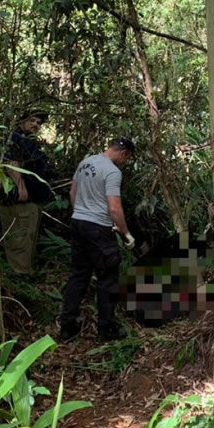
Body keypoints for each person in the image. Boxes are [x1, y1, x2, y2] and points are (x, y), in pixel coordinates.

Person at [60, 137, 136, 341]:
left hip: (78, 223)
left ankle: (67, 326)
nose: (124, 162)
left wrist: (82, 214)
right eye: (126, 159)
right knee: (108, 277)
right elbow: (114, 207)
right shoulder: (112, 172)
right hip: (98, 229)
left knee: (78, 274)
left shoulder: (86, 162)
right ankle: (107, 328)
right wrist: (126, 234)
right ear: (123, 153)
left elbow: (72, 192)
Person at [0, 111, 52, 274]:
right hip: (19, 200)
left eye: (39, 123)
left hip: (31, 200)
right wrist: (20, 188)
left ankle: (23, 273)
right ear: (22, 120)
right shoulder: (14, 137)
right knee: (19, 240)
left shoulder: (27, 140)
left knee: (27, 239)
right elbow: (11, 163)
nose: (36, 125)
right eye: (33, 120)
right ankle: (19, 276)